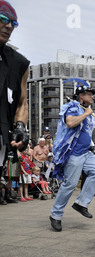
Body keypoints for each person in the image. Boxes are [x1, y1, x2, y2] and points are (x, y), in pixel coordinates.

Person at [49, 83, 95, 232]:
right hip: (74, 152)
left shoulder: (84, 109)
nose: (92, 96)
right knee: (70, 184)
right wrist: (86, 114)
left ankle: (81, 203)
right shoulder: (72, 107)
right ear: (81, 96)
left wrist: (87, 113)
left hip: (86, 151)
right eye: (89, 94)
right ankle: (55, 214)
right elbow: (70, 122)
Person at [0, 1, 30, 205]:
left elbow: (22, 102)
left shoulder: (19, 63)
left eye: (13, 23)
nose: (9, 26)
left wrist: (20, 127)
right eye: (3, 19)